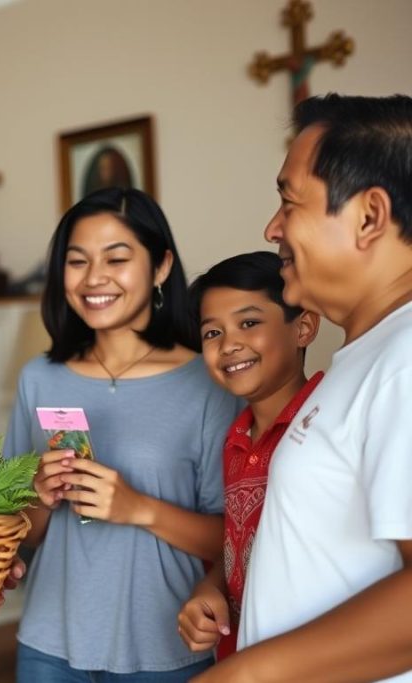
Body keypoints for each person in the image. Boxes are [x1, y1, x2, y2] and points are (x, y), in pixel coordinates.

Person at [195, 94, 412, 682]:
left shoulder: (406, 358)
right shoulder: (363, 360)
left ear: (369, 216)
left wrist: (241, 675)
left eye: (289, 201)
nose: (273, 227)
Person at [3, 187, 242, 681]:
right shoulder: (39, 379)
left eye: (116, 258)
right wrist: (42, 498)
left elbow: (235, 538)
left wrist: (138, 508)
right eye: (77, 261)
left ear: (160, 267)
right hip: (49, 647)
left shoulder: (209, 383)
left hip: (164, 649)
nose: (94, 278)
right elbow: (14, 532)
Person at [177, 251, 322, 660]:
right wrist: (209, 589)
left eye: (249, 323)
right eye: (211, 333)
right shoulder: (236, 438)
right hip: (241, 657)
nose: (229, 345)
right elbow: (237, 546)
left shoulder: (327, 423)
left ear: (304, 327)